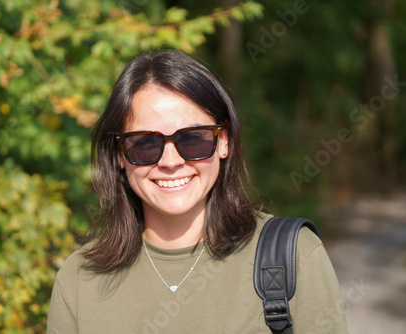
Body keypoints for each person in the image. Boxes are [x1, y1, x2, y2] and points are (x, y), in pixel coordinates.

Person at [47, 50, 348, 333]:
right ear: (120, 155)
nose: (171, 161)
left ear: (224, 141)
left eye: (193, 139)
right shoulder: (78, 280)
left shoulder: (293, 257)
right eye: (145, 143)